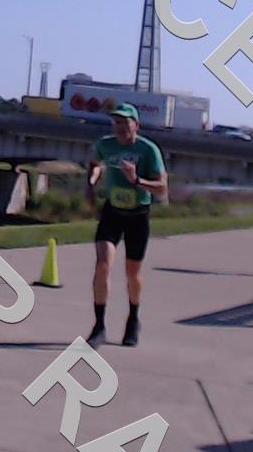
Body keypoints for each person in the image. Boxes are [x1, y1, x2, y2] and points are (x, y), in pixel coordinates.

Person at [86, 102, 167, 347]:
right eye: (117, 122)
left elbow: (162, 188)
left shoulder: (148, 150)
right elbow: (95, 163)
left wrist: (137, 180)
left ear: (136, 125)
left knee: (132, 273)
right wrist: (91, 183)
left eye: (125, 123)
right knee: (102, 265)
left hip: (138, 215)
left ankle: (133, 319)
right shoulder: (105, 144)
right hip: (112, 212)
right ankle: (99, 326)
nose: (121, 127)